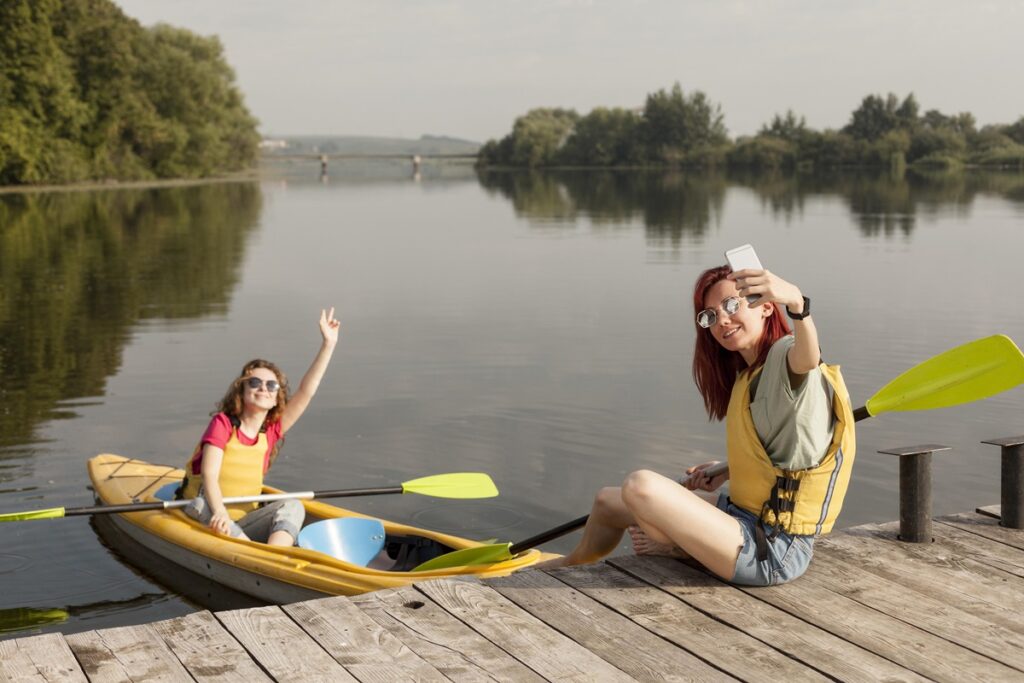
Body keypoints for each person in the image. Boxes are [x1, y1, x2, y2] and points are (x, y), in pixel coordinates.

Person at [537, 266, 855, 585]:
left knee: (640, 486)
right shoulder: (750, 374)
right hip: (742, 515)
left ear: (766, 306)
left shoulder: (785, 355)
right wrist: (728, 469)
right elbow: (783, 454)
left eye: (732, 305)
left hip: (771, 549)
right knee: (608, 501)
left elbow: (808, 359)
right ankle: (569, 563)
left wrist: (799, 306)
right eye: (711, 316)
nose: (723, 321)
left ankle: (674, 546)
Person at [178, 308, 341, 546]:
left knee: (292, 504)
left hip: (243, 522)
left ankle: (275, 555)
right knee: (200, 504)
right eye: (255, 383)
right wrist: (221, 512)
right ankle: (256, 553)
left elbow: (307, 390)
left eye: (271, 385)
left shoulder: (272, 430)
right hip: (210, 513)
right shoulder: (223, 423)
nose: (263, 388)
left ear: (277, 397)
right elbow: (209, 475)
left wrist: (329, 344)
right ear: (242, 391)